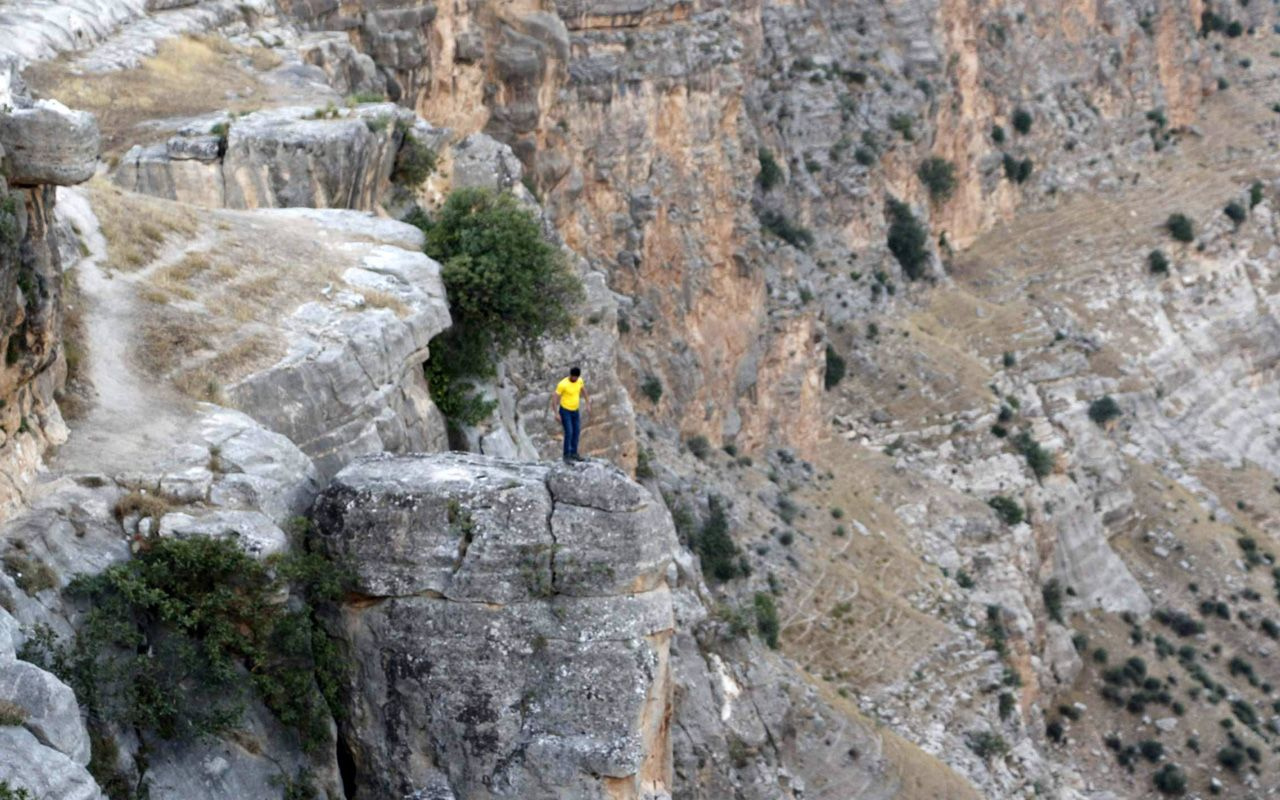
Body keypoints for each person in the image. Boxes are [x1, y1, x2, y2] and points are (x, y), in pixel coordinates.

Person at [550, 366, 587, 462]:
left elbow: (583, 390)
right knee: (569, 432)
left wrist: (587, 402)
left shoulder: (579, 381)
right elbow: (555, 397)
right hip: (565, 411)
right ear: (570, 375)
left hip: (575, 410)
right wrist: (556, 413)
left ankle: (574, 453)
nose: (575, 379)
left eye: (576, 377)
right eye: (574, 377)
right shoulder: (563, 384)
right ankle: (566, 455)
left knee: (577, 431)